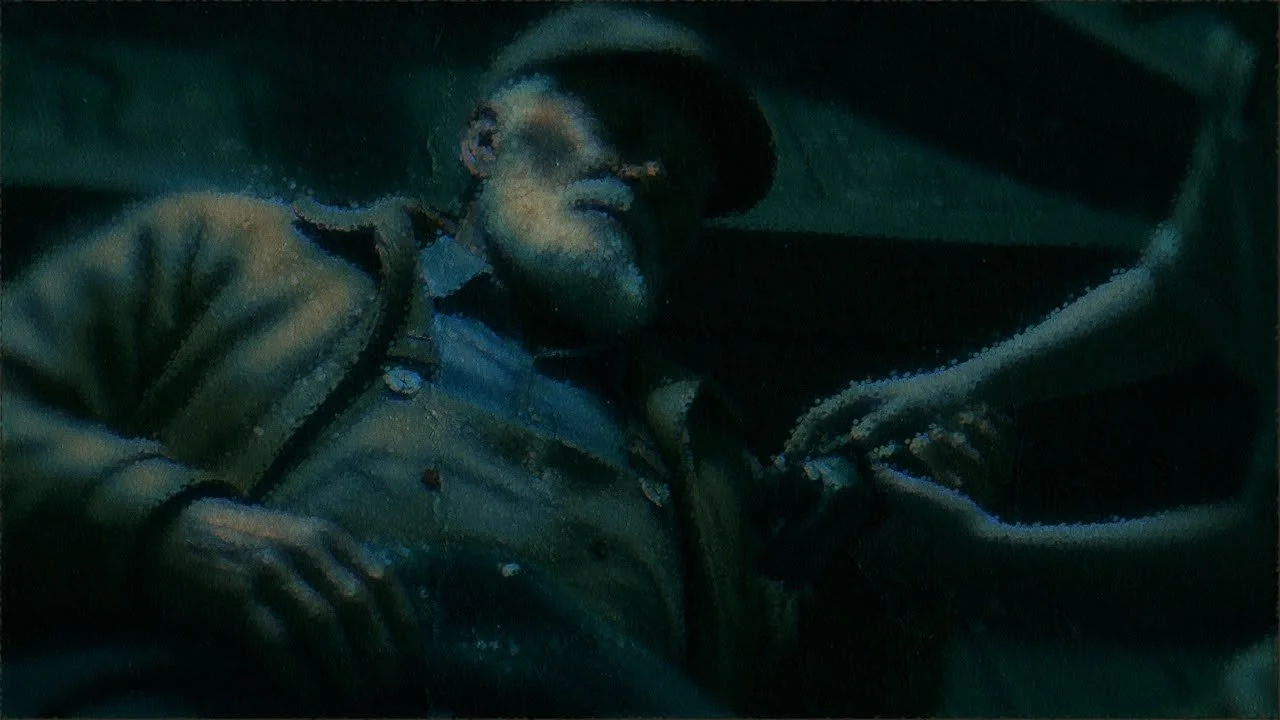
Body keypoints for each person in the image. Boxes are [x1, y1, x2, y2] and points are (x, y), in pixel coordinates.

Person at [782, 22, 1276, 715]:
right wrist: (955, 386)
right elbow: (1190, 289)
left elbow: (1263, 551)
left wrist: (978, 552)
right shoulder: (1248, 53)